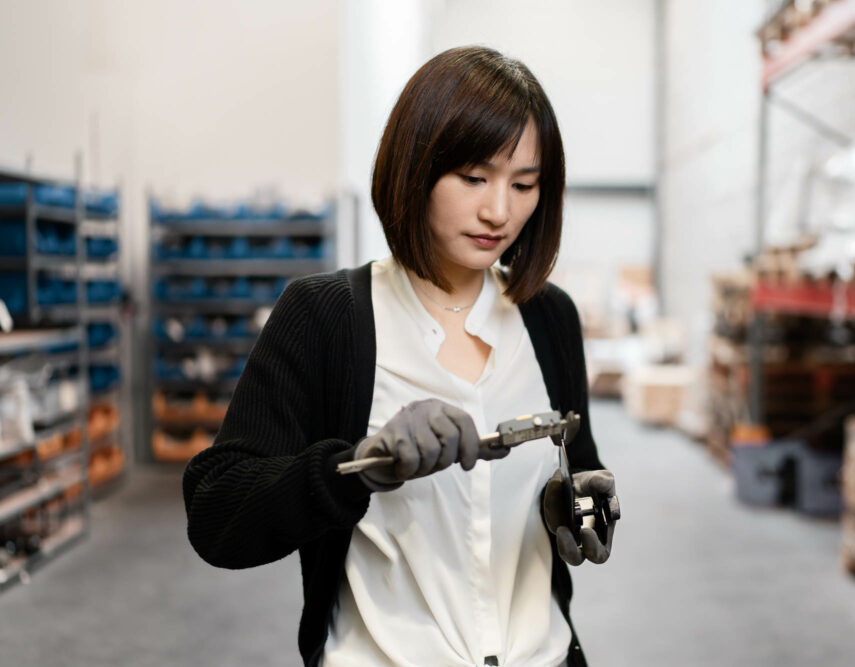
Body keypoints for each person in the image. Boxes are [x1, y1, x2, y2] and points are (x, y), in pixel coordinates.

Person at [182, 45, 617, 667]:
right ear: (415, 167)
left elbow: (580, 467)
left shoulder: (549, 318)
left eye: (524, 184)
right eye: (474, 178)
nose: (499, 210)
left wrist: (581, 508)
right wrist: (356, 465)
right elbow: (218, 514)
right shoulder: (325, 317)